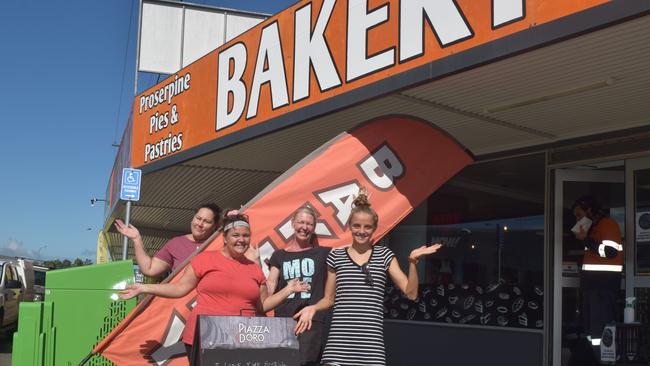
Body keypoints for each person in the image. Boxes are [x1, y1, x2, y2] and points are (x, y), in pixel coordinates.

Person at [119, 212, 310, 360]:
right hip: (205, 337)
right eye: (235, 235)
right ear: (225, 237)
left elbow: (262, 306)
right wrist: (145, 288)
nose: (241, 240)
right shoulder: (204, 260)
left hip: (243, 339)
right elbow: (179, 289)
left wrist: (288, 289)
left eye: (246, 235)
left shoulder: (254, 269)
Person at [293, 191, 442, 366]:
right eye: (357, 226)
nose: (361, 231)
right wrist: (314, 308)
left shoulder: (384, 255)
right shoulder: (336, 257)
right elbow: (329, 299)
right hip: (338, 349)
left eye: (367, 227)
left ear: (374, 228)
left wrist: (412, 263)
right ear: (349, 225)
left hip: (371, 351)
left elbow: (411, 294)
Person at [267, 206, 330, 366]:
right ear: (293, 224)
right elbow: (271, 284)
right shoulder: (279, 255)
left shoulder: (323, 253)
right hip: (283, 321)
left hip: (311, 321)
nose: (304, 227)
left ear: (314, 227)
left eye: (309, 224)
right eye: (301, 222)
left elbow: (350, 252)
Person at [572, 195, 623, 354]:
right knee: (592, 333)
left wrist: (586, 239)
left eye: (579, 215)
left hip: (602, 288)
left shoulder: (608, 224)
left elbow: (610, 252)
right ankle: (597, 359)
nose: (578, 220)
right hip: (593, 289)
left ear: (589, 210)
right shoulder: (594, 229)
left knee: (600, 333)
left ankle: (605, 359)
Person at [115, 203, 221, 277]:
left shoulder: (221, 242)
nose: (200, 224)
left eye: (206, 221)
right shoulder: (176, 243)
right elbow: (149, 269)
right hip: (183, 306)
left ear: (215, 226)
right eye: (198, 218)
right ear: (193, 218)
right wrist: (136, 239)